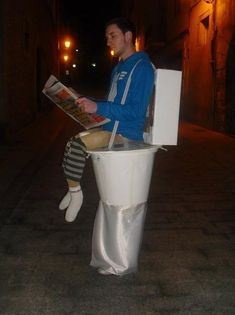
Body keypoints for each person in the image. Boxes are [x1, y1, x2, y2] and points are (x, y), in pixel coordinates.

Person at [59, 17, 155, 223]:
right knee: (70, 146)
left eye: (113, 36)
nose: (108, 41)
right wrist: (84, 100)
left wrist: (98, 107)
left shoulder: (143, 67)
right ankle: (73, 188)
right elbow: (112, 102)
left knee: (77, 146)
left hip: (126, 135)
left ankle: (76, 194)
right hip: (109, 130)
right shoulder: (118, 68)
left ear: (128, 36)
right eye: (106, 37)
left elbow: (136, 112)